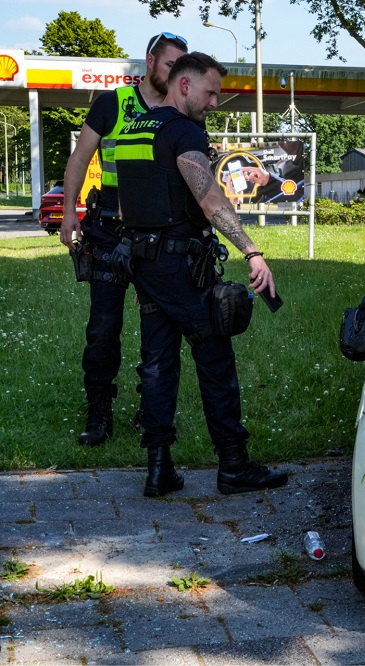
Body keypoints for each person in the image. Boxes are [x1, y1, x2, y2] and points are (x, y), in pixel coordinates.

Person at [114, 52, 287, 497]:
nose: (215, 102)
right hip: (181, 267)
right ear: (185, 86)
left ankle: (159, 470)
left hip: (145, 264)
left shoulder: (134, 129)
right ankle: (234, 465)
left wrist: (145, 270)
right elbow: (210, 199)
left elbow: (125, 205)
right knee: (214, 361)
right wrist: (251, 250)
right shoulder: (182, 131)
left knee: (156, 365)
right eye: (210, 92)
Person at [60, 32, 190, 446]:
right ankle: (99, 412)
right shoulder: (113, 103)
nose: (174, 75)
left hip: (158, 234)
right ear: (150, 61)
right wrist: (68, 214)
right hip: (107, 229)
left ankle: (149, 410)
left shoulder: (179, 111)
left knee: (160, 330)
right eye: (170, 65)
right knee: (103, 327)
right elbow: (80, 158)